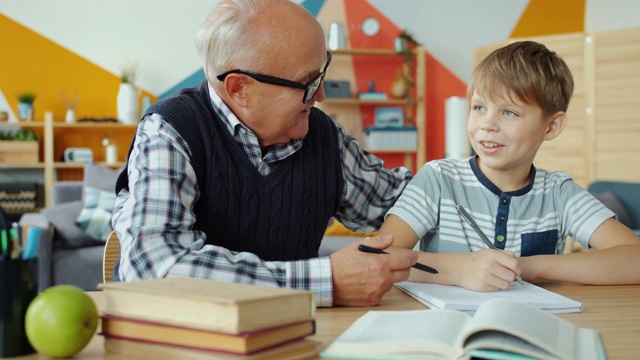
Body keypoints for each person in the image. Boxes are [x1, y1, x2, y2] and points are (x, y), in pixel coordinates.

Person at [111, 0, 418, 307]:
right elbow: (152, 270)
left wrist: (459, 173)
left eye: (322, 73)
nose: (321, 95)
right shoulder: (169, 131)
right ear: (240, 88)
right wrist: (326, 281)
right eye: (308, 83)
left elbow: (403, 202)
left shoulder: (322, 135)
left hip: (294, 339)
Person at [377, 41, 640, 291]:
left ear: (551, 126)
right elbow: (381, 256)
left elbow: (634, 259)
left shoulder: (560, 193)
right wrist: (456, 269)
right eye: (479, 107)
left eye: (509, 112)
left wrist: (529, 266)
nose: (487, 124)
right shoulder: (437, 179)